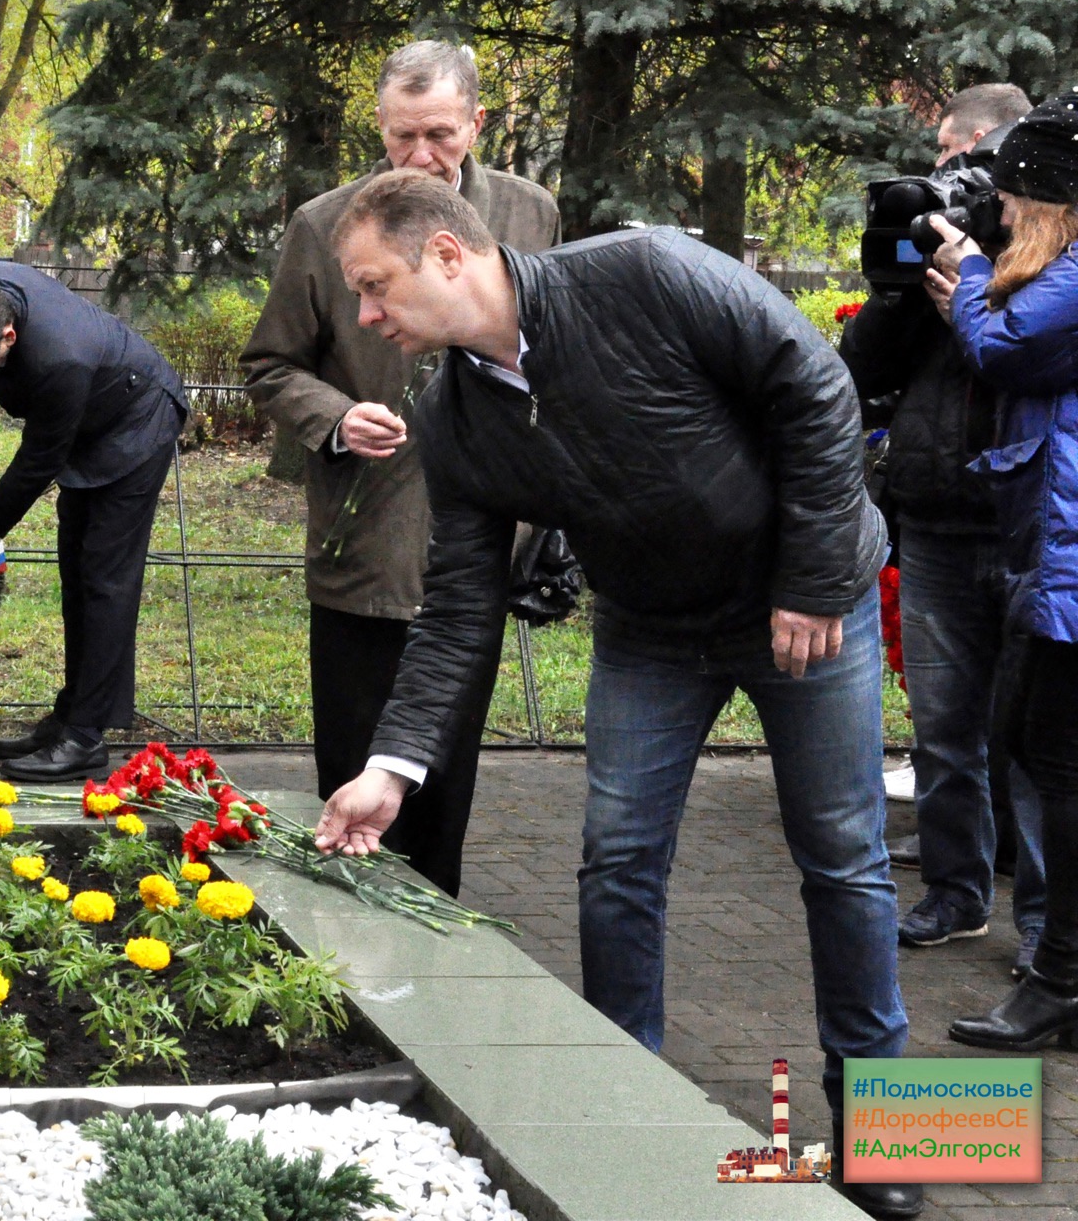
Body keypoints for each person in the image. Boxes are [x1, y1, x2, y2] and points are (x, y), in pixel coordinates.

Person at [312, 170, 918, 1221]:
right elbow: (458, 604)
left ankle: (901, 1140)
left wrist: (816, 578)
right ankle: (622, 1102)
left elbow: (814, 387)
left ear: (447, 256)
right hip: (650, 632)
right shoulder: (453, 417)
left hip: (805, 603)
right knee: (616, 858)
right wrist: (387, 766)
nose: (364, 314)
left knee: (845, 858)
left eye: (374, 286)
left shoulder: (644, 271)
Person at [240, 41, 558, 897]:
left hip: (482, 536)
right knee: (354, 774)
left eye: (441, 135)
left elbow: (549, 353)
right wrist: (337, 418)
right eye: (401, 135)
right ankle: (353, 947)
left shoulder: (531, 214)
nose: (420, 157)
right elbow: (269, 365)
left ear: (478, 124)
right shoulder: (324, 225)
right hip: (368, 543)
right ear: (378, 126)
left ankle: (438, 944)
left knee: (444, 782)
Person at [839, 83, 1047, 971]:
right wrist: (897, 294)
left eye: (974, 175)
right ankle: (956, 894)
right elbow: (857, 371)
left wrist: (979, 284)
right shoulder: (934, 263)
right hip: (933, 517)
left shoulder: (1051, 260)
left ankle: (1046, 922)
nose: (954, 188)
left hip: (1028, 527)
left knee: (1039, 741)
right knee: (943, 731)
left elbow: (1025, 361)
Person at [0, 263, 188, 781]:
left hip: (135, 423)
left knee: (104, 579)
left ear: (8, 336)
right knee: (76, 569)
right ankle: (70, 716)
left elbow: (39, 460)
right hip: (90, 414)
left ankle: (84, 737)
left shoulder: (60, 359)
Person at [921, 89, 1078, 1051]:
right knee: (1037, 751)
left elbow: (1010, 348)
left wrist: (971, 273)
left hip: (1069, 561)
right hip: (1053, 554)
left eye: (1017, 199)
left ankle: (1056, 981)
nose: (1004, 211)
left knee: (1054, 765)